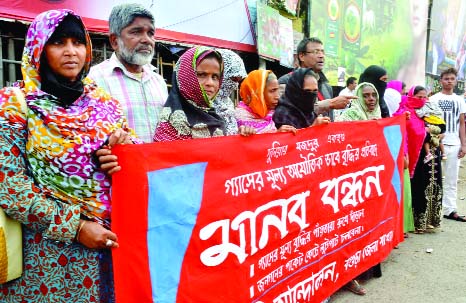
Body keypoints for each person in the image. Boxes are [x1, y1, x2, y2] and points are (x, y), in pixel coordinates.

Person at [0, 9, 135, 302]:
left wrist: (122, 152)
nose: (71, 52)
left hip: (112, 252)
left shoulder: (104, 103)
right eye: (58, 43)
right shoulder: (14, 105)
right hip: (46, 259)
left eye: (78, 42)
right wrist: (76, 227)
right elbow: (9, 188)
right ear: (38, 48)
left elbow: (133, 160)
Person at [88, 3, 168, 142]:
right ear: (115, 41)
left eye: (150, 33)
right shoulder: (95, 79)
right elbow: (91, 136)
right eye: (136, 32)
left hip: (162, 163)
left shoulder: (158, 81)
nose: (146, 40)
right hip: (119, 163)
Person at [336, 82, 382, 285]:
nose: (371, 99)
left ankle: (367, 267)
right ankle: (350, 274)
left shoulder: (379, 116)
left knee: (369, 224)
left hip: (371, 179)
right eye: (366, 96)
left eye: (374, 95)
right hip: (352, 182)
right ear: (358, 97)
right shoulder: (349, 116)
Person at [394, 86, 444, 232]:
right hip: (417, 157)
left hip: (433, 155)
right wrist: (426, 131)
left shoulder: (428, 108)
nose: (422, 100)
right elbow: (410, 131)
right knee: (419, 187)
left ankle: (431, 220)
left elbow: (441, 126)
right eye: (419, 97)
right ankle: (418, 222)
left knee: (434, 185)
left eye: (424, 97)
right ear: (411, 96)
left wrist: (437, 131)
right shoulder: (405, 110)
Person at [284, 37, 356, 120]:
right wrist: (330, 103)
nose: (321, 56)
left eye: (322, 52)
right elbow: (287, 114)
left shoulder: (326, 86)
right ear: (301, 56)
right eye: (316, 52)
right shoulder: (286, 82)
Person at [429, 68, 466, 222]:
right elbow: (429, 122)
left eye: (452, 78)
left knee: (452, 179)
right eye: (446, 78)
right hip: (437, 143)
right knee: (433, 178)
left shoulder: (460, 100)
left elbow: (462, 123)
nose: (449, 81)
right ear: (440, 81)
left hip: (455, 144)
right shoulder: (433, 99)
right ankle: (431, 210)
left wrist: (464, 145)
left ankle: (450, 210)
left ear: (456, 81)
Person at [235, 69, 296, 134]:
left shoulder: (269, 114)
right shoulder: (239, 119)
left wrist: (278, 134)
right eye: (272, 91)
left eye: (277, 90)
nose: (277, 97)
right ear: (257, 93)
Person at [212, 49, 247, 135]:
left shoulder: (228, 104)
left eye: (238, 81)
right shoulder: (202, 106)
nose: (235, 86)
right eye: (233, 79)